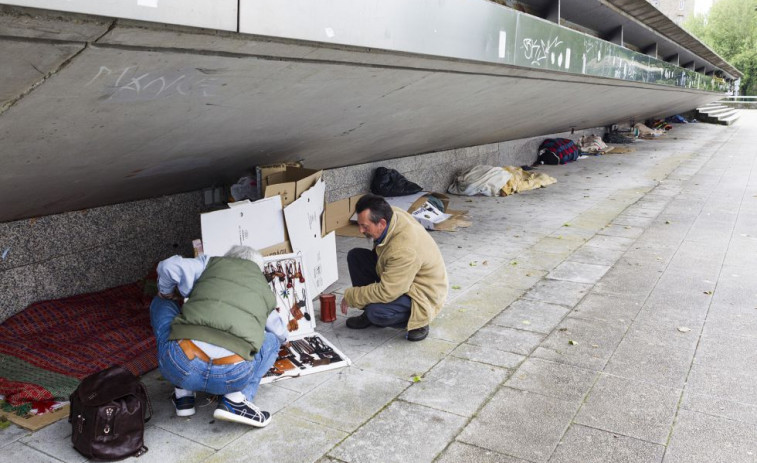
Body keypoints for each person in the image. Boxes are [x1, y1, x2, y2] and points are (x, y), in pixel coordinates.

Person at [150, 245, 284, 427]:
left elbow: (168, 266)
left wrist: (166, 292)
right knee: (273, 342)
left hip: (180, 366)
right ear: (257, 270)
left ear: (228, 258)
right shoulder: (265, 292)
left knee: (161, 303)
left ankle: (183, 396)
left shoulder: (211, 263)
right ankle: (237, 399)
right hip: (231, 377)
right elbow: (280, 332)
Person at [339, 194, 448, 341]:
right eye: (359, 224)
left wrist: (352, 296)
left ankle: (418, 322)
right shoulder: (391, 214)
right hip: (402, 275)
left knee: (376, 313)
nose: (360, 230)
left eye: (365, 226)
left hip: (421, 293)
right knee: (356, 257)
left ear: (382, 223)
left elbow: (387, 291)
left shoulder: (404, 249)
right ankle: (369, 310)